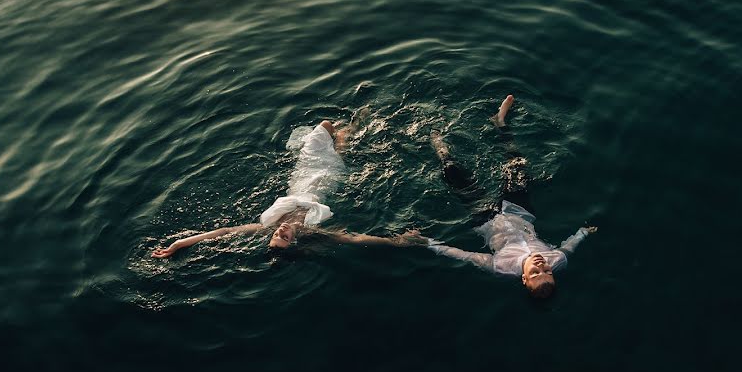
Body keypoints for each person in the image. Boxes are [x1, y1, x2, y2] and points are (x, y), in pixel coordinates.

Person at [152, 107, 416, 258]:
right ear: (294, 241)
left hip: (303, 173)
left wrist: (179, 244)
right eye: (284, 238)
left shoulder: (267, 226)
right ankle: (357, 124)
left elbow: (223, 233)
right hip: (326, 178)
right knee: (340, 147)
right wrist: (399, 242)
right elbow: (355, 239)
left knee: (324, 127)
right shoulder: (311, 232)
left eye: (277, 236)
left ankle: (353, 125)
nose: (280, 233)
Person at [423, 95, 597, 298]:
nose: (542, 265)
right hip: (520, 211)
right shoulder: (557, 260)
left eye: (535, 273)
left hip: (486, 219)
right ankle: (500, 122)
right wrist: (584, 233)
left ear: (524, 278)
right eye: (547, 272)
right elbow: (569, 247)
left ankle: (439, 146)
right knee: (517, 163)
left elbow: (462, 255)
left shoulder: (501, 268)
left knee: (452, 171)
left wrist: (426, 242)